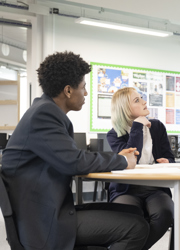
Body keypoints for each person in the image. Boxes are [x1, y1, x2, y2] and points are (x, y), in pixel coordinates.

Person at [1, 52, 149, 250]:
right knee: (136, 227)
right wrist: (122, 161)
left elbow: (71, 158)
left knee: (134, 213)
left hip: (50, 210)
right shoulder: (44, 114)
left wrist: (118, 158)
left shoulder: (44, 110)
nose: (86, 93)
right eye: (83, 87)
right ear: (68, 91)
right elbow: (74, 162)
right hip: (44, 223)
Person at [107, 87, 175, 250]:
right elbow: (131, 158)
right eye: (137, 100)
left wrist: (168, 162)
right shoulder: (114, 134)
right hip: (127, 189)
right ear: (124, 108)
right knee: (130, 217)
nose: (145, 102)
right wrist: (137, 125)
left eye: (142, 98)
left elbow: (170, 157)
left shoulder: (157, 127)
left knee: (165, 213)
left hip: (155, 188)